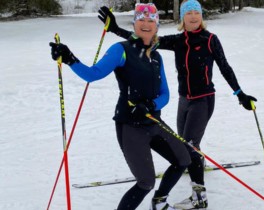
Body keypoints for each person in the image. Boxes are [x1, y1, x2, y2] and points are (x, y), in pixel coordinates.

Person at [98, 0, 257, 209]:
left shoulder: (210, 40)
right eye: (188, 13)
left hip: (204, 99)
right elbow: (144, 39)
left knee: (190, 145)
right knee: (185, 145)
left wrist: (240, 94)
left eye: (196, 13)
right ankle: (195, 161)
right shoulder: (178, 41)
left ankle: (199, 197)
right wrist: (116, 30)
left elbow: (225, 67)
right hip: (184, 100)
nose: (193, 16)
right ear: (182, 18)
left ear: (201, 16)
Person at [50, 3, 191, 210]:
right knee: (146, 182)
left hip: (153, 121)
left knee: (183, 159)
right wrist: (70, 59)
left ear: (157, 26)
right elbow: (92, 74)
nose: (146, 24)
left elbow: (165, 94)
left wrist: (151, 104)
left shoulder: (156, 56)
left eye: (151, 20)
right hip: (130, 125)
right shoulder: (121, 50)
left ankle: (160, 201)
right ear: (134, 24)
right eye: (141, 19)